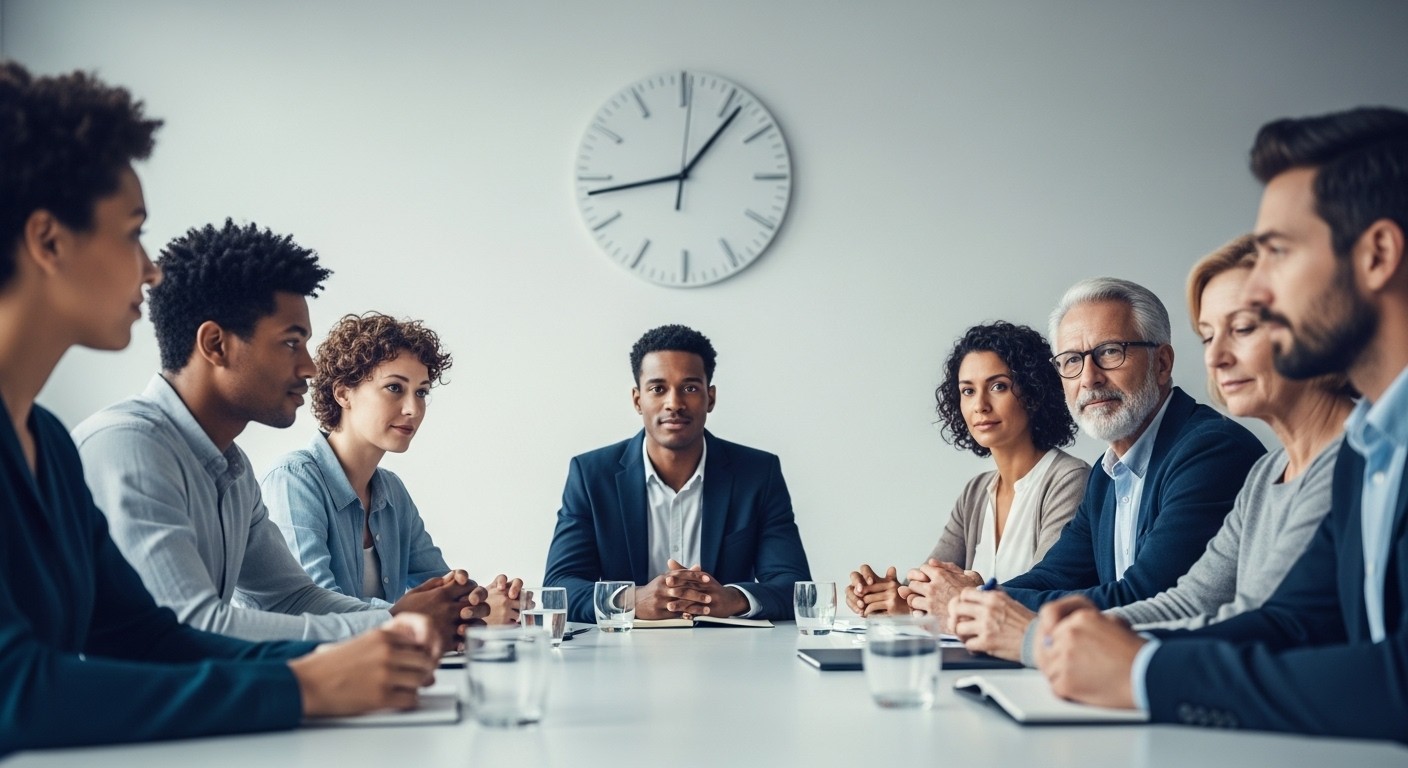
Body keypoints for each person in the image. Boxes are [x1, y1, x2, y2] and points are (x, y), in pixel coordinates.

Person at [0, 60, 443, 756]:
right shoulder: (116, 446)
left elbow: (147, 636)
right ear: (49, 241)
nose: (149, 269)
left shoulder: (47, 443)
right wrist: (308, 686)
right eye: (131, 232)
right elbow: (15, 690)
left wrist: (356, 660)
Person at [1037, 107, 1408, 743]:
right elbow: (1289, 620)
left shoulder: (1296, 449)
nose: (1260, 292)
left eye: (1278, 254)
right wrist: (1108, 644)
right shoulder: (1369, 452)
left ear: (1376, 255)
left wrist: (1142, 671)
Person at [72, 220, 486, 647]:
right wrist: (395, 625)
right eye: (291, 343)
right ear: (215, 344)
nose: (309, 368)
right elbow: (192, 626)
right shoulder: (129, 445)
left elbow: (291, 598)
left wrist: (403, 615)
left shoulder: (232, 468)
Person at [950, 236, 1352, 661]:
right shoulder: (1252, 475)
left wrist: (1027, 633)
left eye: (1109, 353)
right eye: (1209, 336)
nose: (1215, 358)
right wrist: (981, 605)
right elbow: (1191, 605)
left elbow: (1260, 625)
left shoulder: (1217, 450)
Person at [900, 278, 1265, 633]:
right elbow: (1055, 574)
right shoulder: (1107, 474)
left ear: (1162, 363)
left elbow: (1145, 598)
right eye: (1072, 360)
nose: (1089, 378)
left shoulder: (1210, 452)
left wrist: (974, 603)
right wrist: (974, 597)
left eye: (1109, 352)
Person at [261, 312, 522, 622]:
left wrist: (487, 600)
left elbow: (441, 587)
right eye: (395, 388)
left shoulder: (391, 492)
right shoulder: (294, 481)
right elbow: (312, 609)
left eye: (421, 392)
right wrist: (453, 615)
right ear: (344, 393)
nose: (413, 409)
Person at [543, 324, 812, 623]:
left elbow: (795, 586)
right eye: (658, 389)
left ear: (710, 398)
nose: (674, 403)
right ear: (637, 400)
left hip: (728, 654)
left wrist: (731, 598)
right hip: (621, 654)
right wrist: (630, 599)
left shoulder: (758, 473)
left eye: (690, 388)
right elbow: (559, 585)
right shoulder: (592, 475)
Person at [847, 322, 1089, 617]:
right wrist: (889, 593)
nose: (980, 405)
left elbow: (1047, 588)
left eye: (998, 386)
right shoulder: (975, 492)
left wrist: (943, 600)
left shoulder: (1069, 479)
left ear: (1033, 391)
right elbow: (928, 585)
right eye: (968, 391)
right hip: (976, 658)